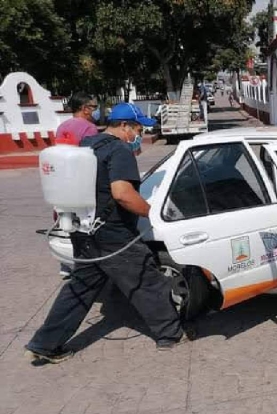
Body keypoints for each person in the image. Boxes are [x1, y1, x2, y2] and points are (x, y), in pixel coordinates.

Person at [25, 103, 186, 364]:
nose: (138, 135)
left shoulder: (88, 145)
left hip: (83, 231)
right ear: (123, 126)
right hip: (112, 234)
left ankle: (45, 344)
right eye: (136, 129)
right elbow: (122, 194)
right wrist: (153, 213)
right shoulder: (119, 150)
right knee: (148, 281)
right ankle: (170, 335)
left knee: (80, 288)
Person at [56, 92, 100, 278]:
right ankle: (88, 270)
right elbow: (92, 160)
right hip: (83, 186)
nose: (96, 111)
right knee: (86, 230)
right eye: (94, 107)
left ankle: (68, 265)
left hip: (63, 185)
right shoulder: (89, 129)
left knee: (70, 226)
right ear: (85, 108)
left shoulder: (62, 127)